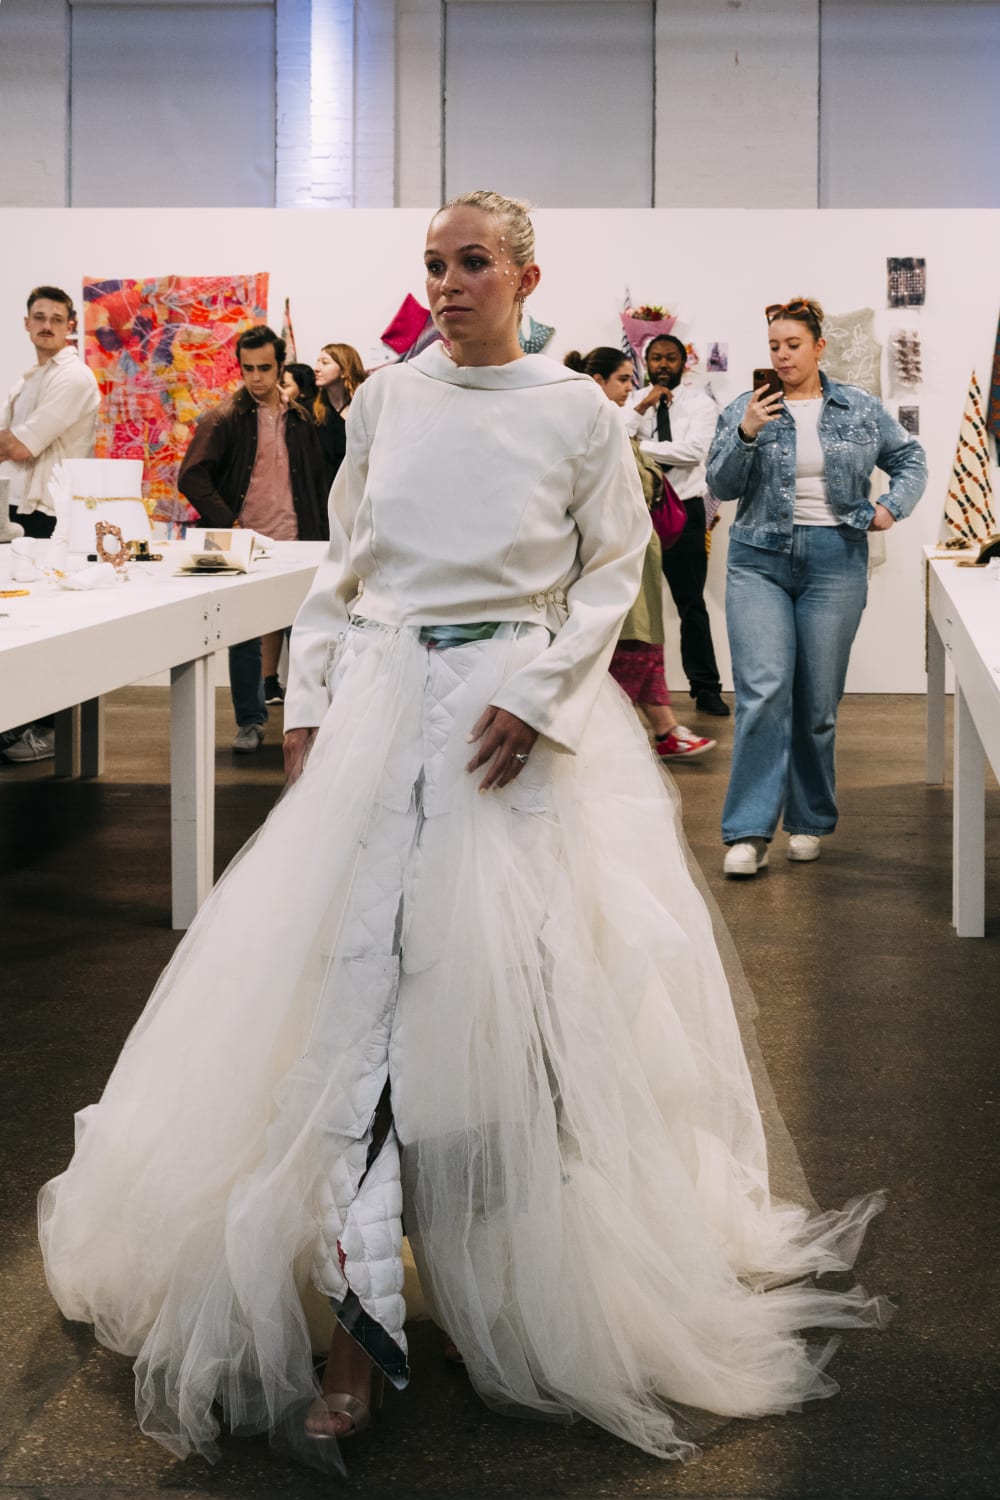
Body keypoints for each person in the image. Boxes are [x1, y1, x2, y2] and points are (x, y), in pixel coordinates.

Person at [40, 199, 888, 1478]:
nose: (445, 283)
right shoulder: (383, 401)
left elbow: (611, 572)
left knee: (507, 1004)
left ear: (524, 276)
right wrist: (314, 698)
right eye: (432, 264)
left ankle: (509, 1269)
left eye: (471, 263)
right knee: (354, 1000)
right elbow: (348, 563)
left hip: (509, 727)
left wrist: (541, 698)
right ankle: (353, 1315)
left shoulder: (575, 410)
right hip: (386, 708)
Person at [707, 297, 927, 878]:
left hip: (836, 560)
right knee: (763, 692)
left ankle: (807, 822)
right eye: (774, 346)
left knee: (818, 703)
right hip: (758, 561)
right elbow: (720, 485)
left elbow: (909, 458)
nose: (781, 356)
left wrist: (889, 508)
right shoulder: (745, 407)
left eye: (793, 345)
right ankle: (749, 832)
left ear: (818, 347)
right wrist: (748, 432)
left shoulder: (858, 407)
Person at [177, 325, 328, 751]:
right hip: (244, 545)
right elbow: (191, 476)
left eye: (265, 368)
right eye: (248, 368)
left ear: (280, 366)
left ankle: (305, 722)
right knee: (244, 635)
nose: (256, 377)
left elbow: (317, 485)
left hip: (298, 541)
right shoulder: (225, 417)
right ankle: (250, 721)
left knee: (308, 634)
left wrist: (325, 538)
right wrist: (231, 522)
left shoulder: (299, 418)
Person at [564, 346, 714, 761]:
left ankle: (670, 723)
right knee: (629, 642)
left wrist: (643, 450)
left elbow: (691, 452)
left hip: (649, 534)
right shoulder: (605, 423)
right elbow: (634, 476)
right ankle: (645, 731)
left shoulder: (691, 404)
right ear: (599, 382)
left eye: (633, 379)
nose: (632, 386)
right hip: (616, 550)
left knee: (666, 623)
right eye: (624, 378)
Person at [0, 285, 100, 764]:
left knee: (50, 625)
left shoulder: (73, 376)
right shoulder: (30, 379)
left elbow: (21, 445)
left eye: (55, 318)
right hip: (23, 510)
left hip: (52, 515)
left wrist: (12, 441)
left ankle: (50, 731)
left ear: (70, 325)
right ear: (25, 324)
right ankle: (18, 723)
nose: (46, 325)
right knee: (20, 621)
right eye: (38, 317)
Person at [624, 335, 729, 718]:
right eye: (656, 358)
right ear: (645, 362)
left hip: (685, 510)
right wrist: (641, 406)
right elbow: (613, 438)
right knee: (629, 606)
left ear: (684, 363)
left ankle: (706, 688)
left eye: (671, 358)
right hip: (638, 512)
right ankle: (626, 693)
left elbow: (692, 452)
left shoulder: (699, 403)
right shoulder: (631, 399)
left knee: (691, 604)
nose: (663, 364)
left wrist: (637, 448)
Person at [313, 343, 367, 494]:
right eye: (317, 362)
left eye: (324, 362)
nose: (316, 368)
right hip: (325, 496)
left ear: (344, 370)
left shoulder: (364, 407)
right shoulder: (314, 411)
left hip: (358, 492)